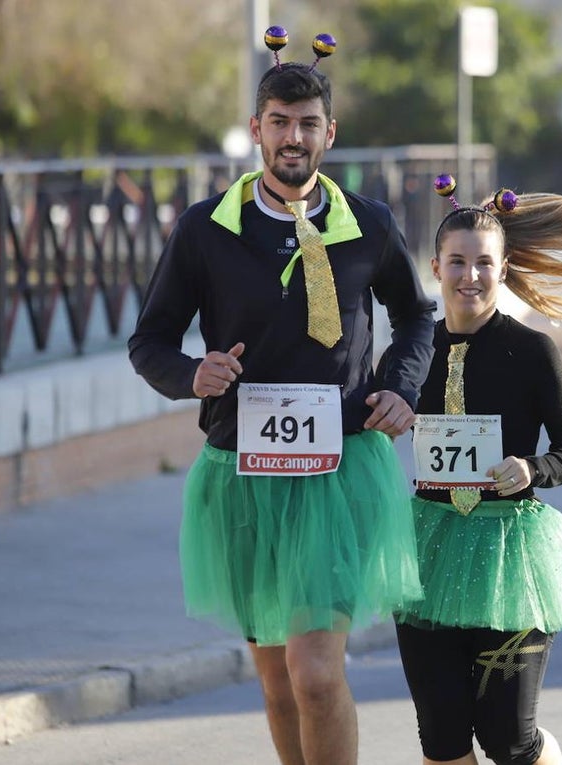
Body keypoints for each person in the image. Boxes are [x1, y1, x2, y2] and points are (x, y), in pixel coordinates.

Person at [127, 27, 436, 765]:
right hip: (242, 475)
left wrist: (400, 386)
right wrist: (190, 373)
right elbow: (150, 341)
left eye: (307, 124)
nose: (292, 138)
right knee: (274, 684)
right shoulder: (206, 229)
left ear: (329, 132)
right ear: (258, 130)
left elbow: (416, 313)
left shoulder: (370, 224)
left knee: (317, 675)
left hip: (340, 474)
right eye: (278, 122)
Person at [392, 175, 562, 765]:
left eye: (484, 264)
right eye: (457, 263)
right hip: (427, 551)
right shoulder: (414, 352)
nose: (470, 277)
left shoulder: (533, 349)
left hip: (508, 555)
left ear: (505, 267)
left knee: (508, 739)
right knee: (440, 740)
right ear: (436, 266)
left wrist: (531, 468)